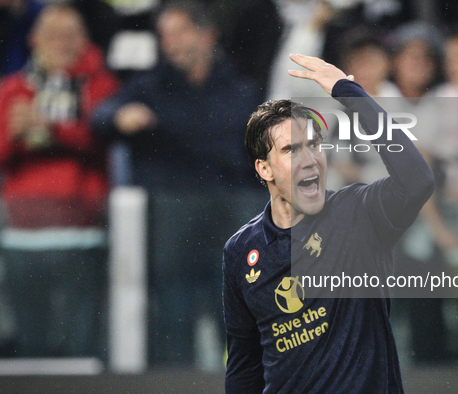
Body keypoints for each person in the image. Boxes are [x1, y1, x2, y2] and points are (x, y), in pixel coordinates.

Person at [223, 54, 434, 392]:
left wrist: (349, 92)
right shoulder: (241, 249)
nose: (309, 160)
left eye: (315, 145)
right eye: (292, 150)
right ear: (264, 169)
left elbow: (417, 180)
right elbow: (244, 366)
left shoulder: (358, 212)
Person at [92, 0, 263, 369]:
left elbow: (251, 156)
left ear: (208, 35)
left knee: (235, 314)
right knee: (173, 311)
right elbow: (101, 116)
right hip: (170, 228)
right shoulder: (148, 87)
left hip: (228, 226)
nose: (171, 43)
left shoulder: (240, 90)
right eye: (165, 35)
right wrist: (119, 115)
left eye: (180, 32)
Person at [0, 4, 118, 358]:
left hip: (84, 232)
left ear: (85, 41)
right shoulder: (13, 91)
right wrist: (14, 132)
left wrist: (50, 131)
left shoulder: (100, 87)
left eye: (71, 35)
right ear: (34, 39)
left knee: (81, 343)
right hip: (24, 234)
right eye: (53, 35)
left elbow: (99, 136)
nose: (62, 44)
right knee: (32, 341)